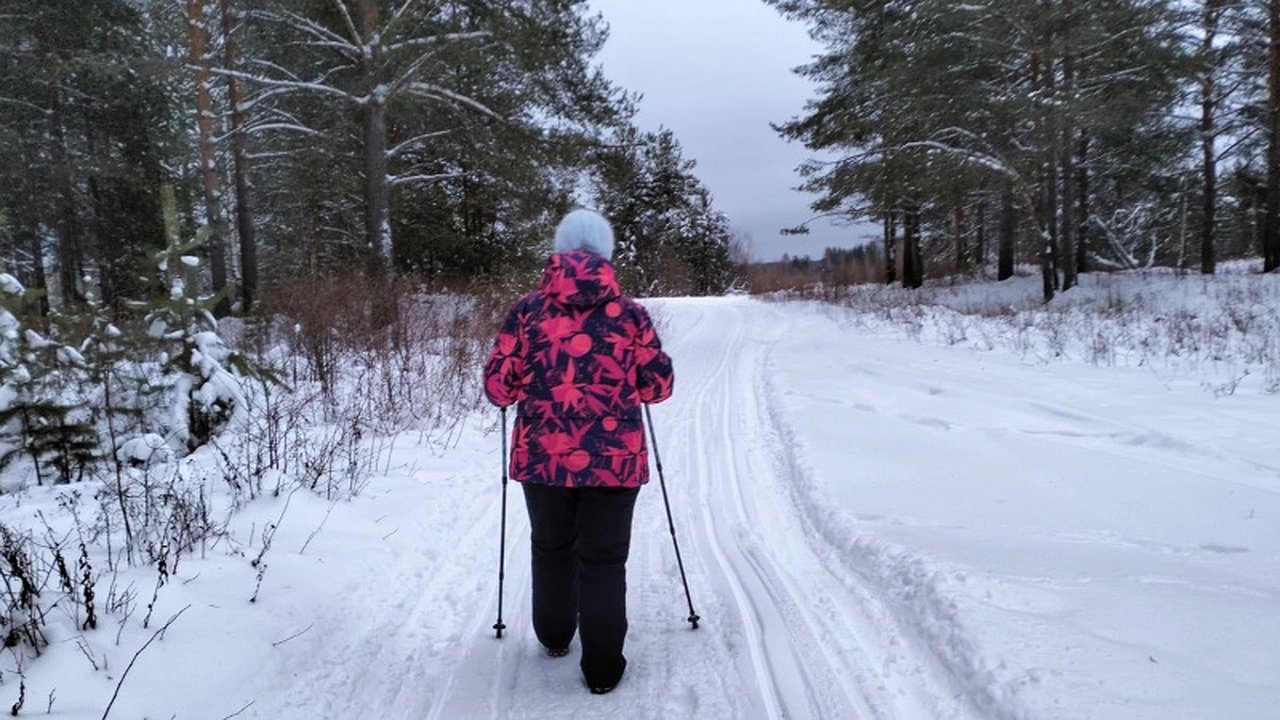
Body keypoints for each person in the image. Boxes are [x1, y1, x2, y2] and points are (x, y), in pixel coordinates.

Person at [483, 208, 674, 694]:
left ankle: (554, 636)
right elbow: (658, 386)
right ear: (606, 255)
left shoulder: (527, 311)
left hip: (542, 458)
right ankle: (603, 668)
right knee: (604, 560)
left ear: (560, 251)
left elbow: (499, 387)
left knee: (551, 547)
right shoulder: (630, 314)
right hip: (615, 461)